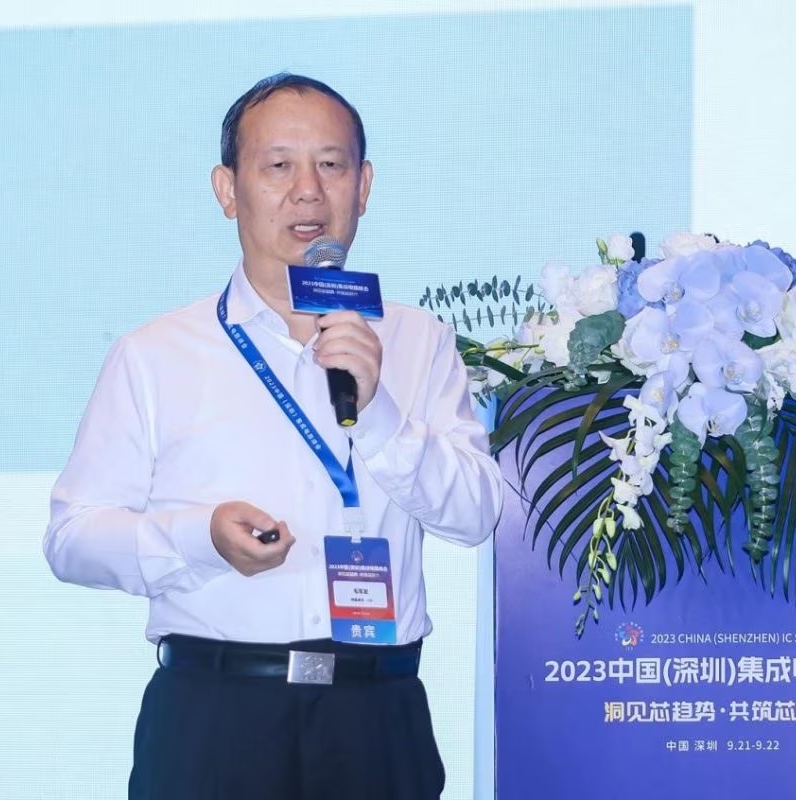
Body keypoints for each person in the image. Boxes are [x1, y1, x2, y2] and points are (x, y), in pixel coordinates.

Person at [44, 72, 502, 800]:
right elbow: (72, 538)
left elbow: (477, 514)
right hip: (216, 718)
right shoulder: (155, 354)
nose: (308, 192)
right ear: (228, 189)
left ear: (364, 186)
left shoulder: (418, 340)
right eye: (279, 165)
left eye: (332, 164)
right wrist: (199, 537)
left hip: (375, 718)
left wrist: (378, 412)